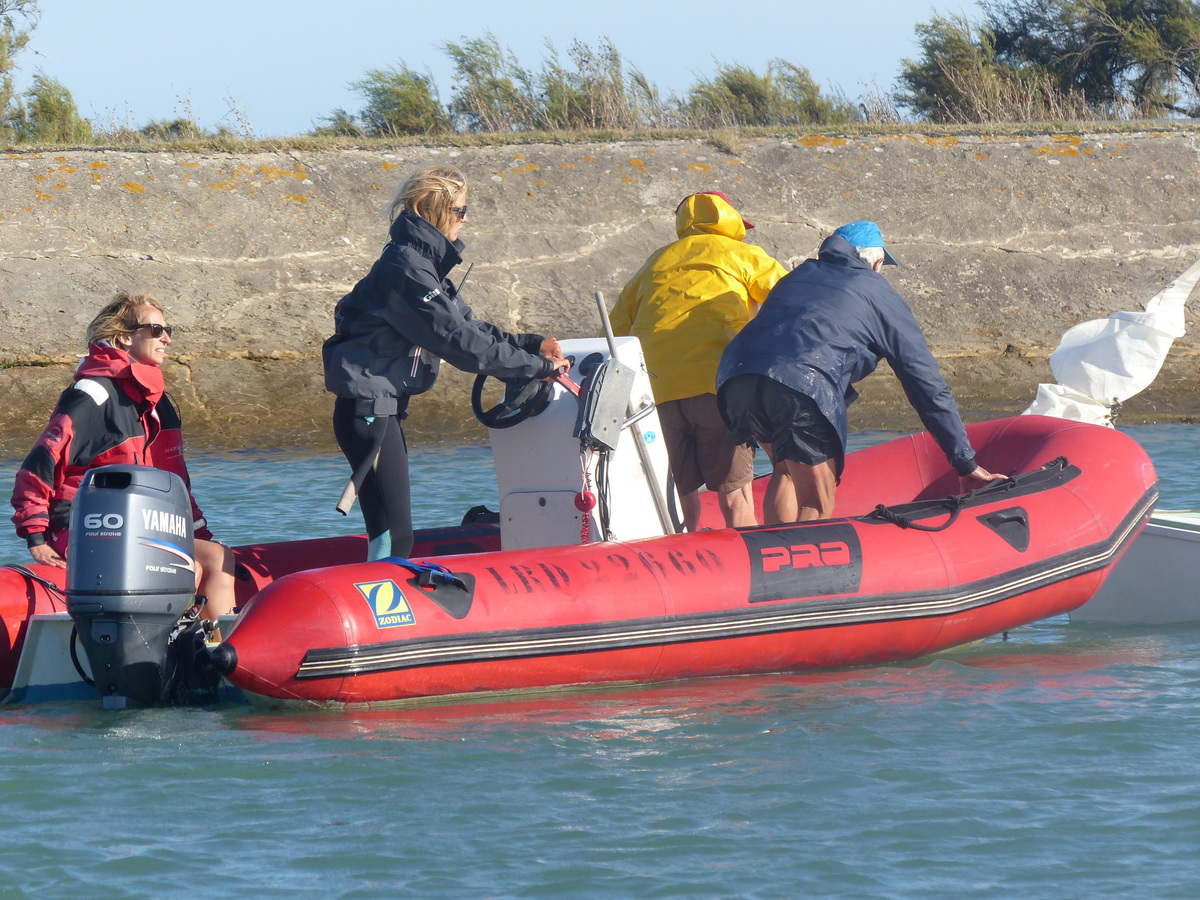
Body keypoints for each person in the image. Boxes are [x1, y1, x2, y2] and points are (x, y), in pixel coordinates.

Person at [323, 163, 568, 560]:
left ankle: (384, 583)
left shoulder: (421, 264)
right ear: (434, 209)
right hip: (369, 412)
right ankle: (380, 594)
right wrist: (538, 368)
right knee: (394, 537)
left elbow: (469, 327)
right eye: (460, 210)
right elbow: (461, 344)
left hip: (380, 411)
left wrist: (531, 344)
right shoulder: (406, 269)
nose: (466, 219)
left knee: (396, 534)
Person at [717, 220, 1006, 523]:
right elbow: (925, 383)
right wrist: (965, 463)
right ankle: (804, 554)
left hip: (735, 379)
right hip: (801, 384)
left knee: (786, 468)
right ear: (877, 263)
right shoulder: (876, 290)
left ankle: (772, 550)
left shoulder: (796, 276)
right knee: (817, 502)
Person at [10, 292, 238, 622]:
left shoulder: (158, 404)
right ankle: (182, 645)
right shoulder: (92, 396)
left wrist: (200, 536)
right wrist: (35, 536)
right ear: (125, 337)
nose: (167, 339)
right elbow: (38, 466)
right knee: (192, 566)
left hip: (145, 525)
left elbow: (175, 484)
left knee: (218, 557)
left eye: (168, 330)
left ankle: (218, 647)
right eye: (156, 330)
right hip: (88, 526)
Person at [609, 191, 788, 531]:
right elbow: (792, 301)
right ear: (730, 221)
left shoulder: (655, 262)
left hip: (655, 394)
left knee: (677, 494)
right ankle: (747, 555)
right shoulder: (743, 255)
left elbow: (615, 330)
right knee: (735, 496)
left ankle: (679, 551)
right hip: (717, 387)